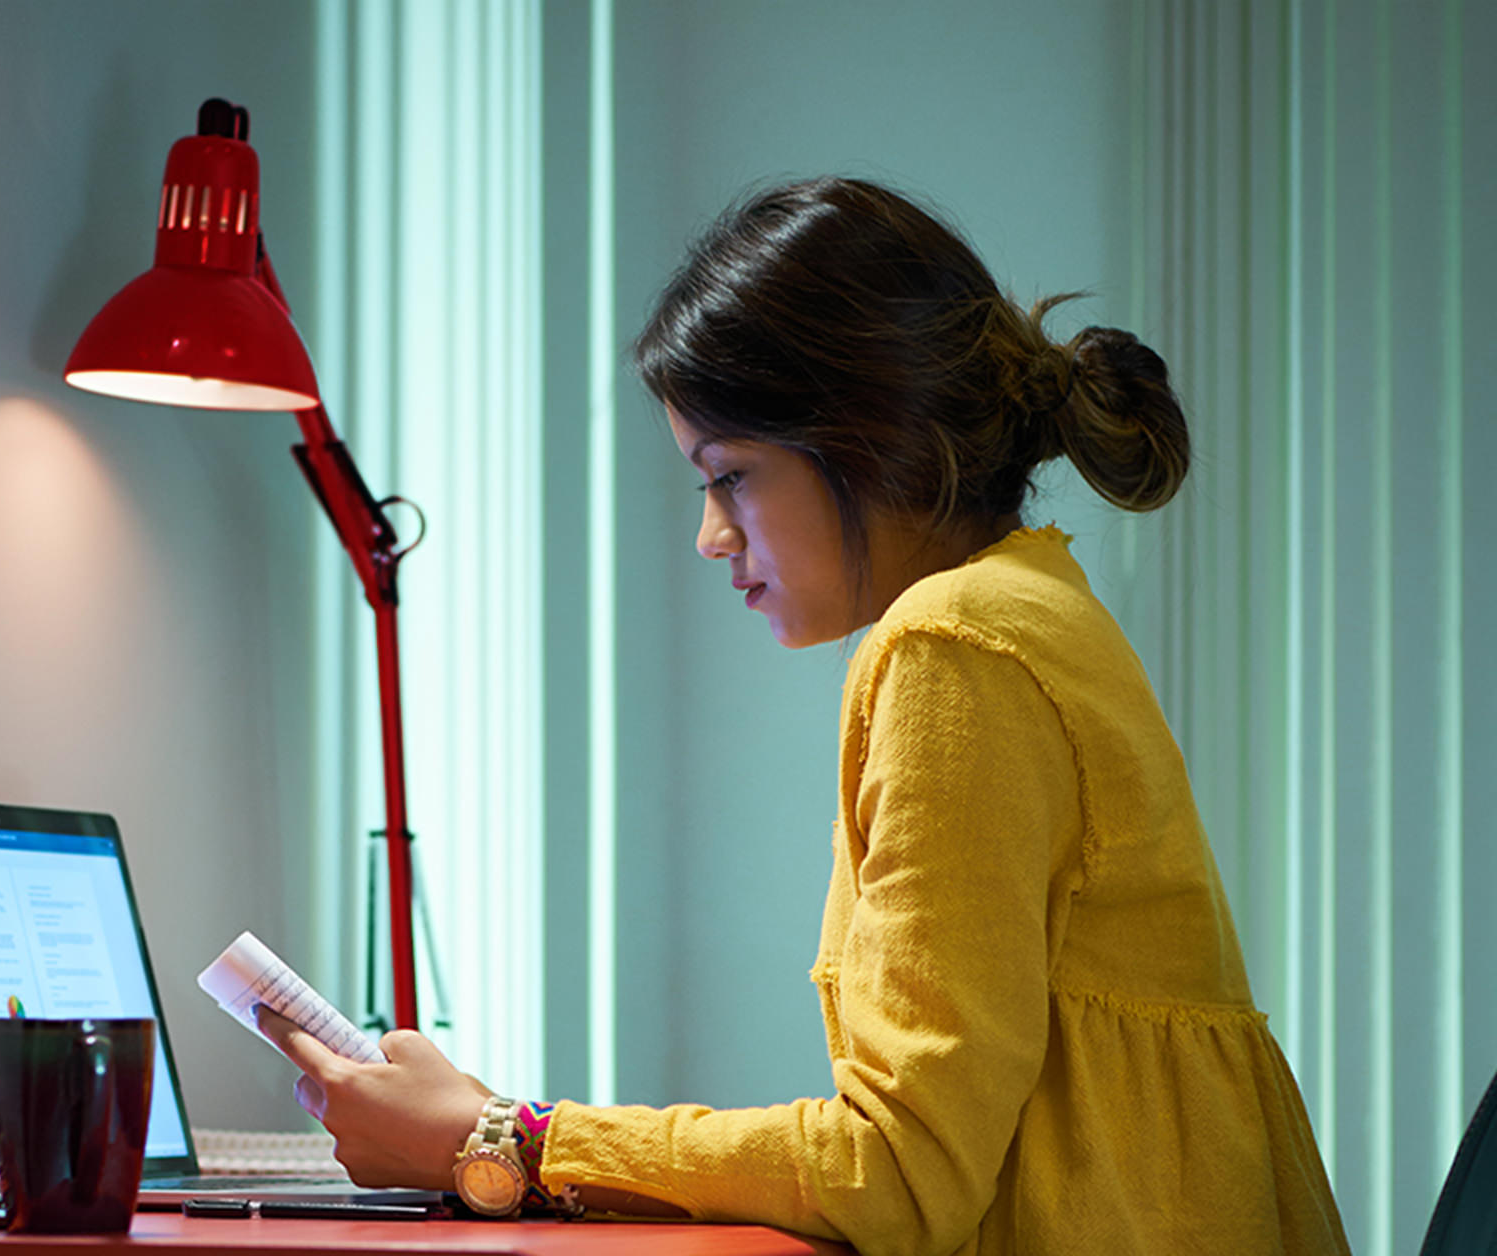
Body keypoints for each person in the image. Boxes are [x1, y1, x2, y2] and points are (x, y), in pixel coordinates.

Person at [255, 176, 1350, 1255]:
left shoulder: (953, 643)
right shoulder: (1032, 604)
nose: (711, 536)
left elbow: (901, 1172)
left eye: (730, 474)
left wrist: (508, 1140)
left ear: (869, 435)